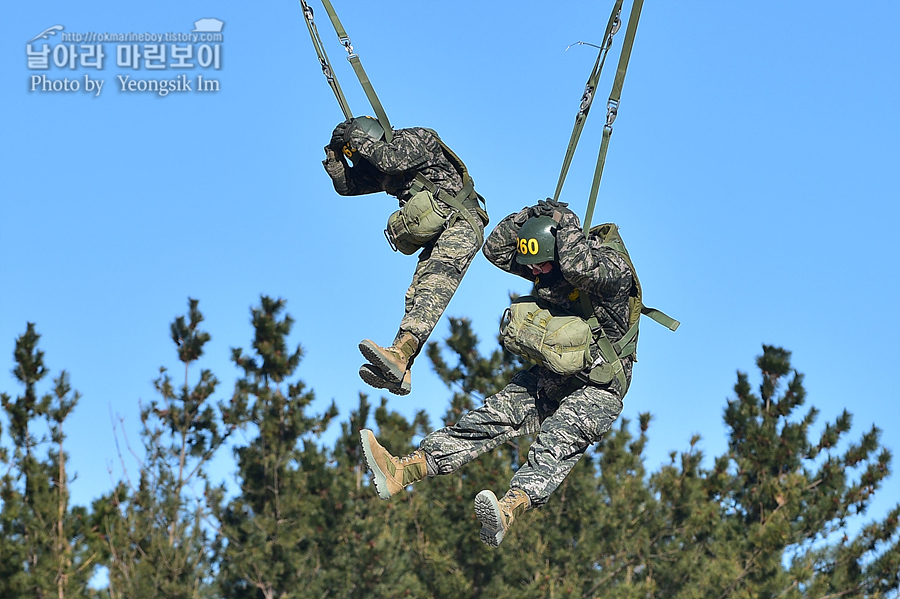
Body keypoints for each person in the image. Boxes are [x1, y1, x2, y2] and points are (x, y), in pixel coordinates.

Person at [359, 199, 637, 547]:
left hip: (597, 390)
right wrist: (529, 217)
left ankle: (508, 509)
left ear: (563, 248)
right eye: (532, 266)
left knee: (554, 445)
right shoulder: (549, 268)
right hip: (551, 377)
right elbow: (495, 248)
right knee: (488, 417)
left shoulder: (612, 272)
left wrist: (562, 218)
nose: (534, 273)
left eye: (542, 264)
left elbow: (580, 266)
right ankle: (405, 471)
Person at [323, 117, 488, 396]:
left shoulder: (415, 139)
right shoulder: (382, 165)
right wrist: (334, 155)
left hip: (462, 221)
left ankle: (400, 358)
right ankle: (401, 366)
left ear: (372, 139)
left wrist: (355, 138)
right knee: (417, 294)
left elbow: (388, 161)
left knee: (433, 290)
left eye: (365, 148)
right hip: (442, 230)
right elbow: (348, 186)